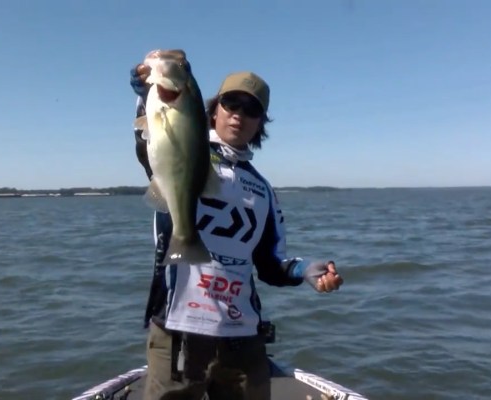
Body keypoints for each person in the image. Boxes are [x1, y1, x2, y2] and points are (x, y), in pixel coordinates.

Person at [129, 50, 344, 400]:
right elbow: (149, 142)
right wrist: (145, 93)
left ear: (261, 123)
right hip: (178, 331)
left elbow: (270, 265)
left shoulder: (264, 190)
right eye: (231, 104)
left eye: (251, 109)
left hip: (242, 336)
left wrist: (306, 270)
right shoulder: (187, 148)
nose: (239, 115)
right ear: (214, 109)